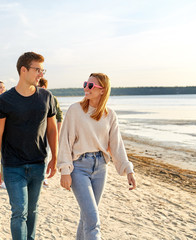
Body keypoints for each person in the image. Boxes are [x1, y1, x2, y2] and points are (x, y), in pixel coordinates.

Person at [57, 73, 137, 240]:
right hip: (79, 168)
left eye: (91, 86)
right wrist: (65, 170)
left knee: (86, 218)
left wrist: (128, 170)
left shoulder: (110, 115)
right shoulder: (75, 110)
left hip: (101, 168)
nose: (86, 88)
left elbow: (117, 146)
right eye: (86, 84)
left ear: (102, 91)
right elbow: (65, 141)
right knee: (93, 221)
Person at [0, 52, 58, 240]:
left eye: (42, 70)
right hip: (12, 166)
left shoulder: (46, 97)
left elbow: (52, 130)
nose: (41, 75)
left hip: (38, 164)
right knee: (19, 212)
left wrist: (55, 157)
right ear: (23, 70)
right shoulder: (4, 100)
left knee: (33, 210)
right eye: (38, 70)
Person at [38, 78, 63, 187]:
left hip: (48, 131)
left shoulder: (52, 98)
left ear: (43, 87)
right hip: (37, 132)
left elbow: (59, 116)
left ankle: (44, 177)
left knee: (46, 154)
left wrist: (57, 133)